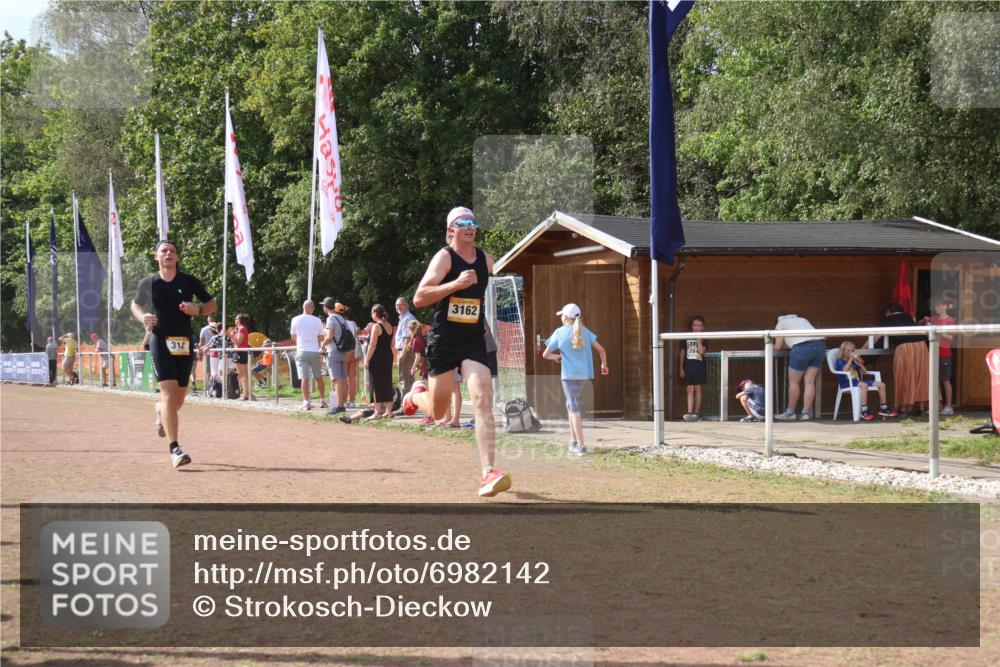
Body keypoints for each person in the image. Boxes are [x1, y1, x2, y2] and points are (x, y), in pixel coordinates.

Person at [408, 206, 511, 497]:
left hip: (473, 342)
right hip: (444, 341)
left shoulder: (486, 260)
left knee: (482, 398)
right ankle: (415, 394)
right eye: (463, 222)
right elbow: (419, 297)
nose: (470, 226)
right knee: (439, 411)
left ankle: (487, 472)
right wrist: (455, 283)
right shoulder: (444, 257)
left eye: (473, 222)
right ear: (451, 230)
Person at [131, 239, 216, 469]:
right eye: (163, 251)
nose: (168, 253)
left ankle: (160, 410)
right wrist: (143, 318)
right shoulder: (149, 282)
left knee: (177, 400)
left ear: (177, 257)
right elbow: (135, 305)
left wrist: (196, 310)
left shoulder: (188, 281)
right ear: (156, 256)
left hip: (184, 342)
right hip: (160, 340)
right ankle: (175, 449)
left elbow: (211, 305)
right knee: (169, 394)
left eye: (172, 251)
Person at [542, 303, 609, 455]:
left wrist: (557, 357)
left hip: (569, 375)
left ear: (565, 317)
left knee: (574, 407)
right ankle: (572, 442)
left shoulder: (559, 333)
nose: (561, 317)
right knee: (570, 405)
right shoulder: (584, 331)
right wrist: (604, 365)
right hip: (584, 374)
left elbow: (545, 354)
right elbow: (602, 350)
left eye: (562, 315)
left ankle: (581, 446)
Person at [877, 303, 929, 417]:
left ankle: (905, 409)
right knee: (921, 377)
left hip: (904, 347)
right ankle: (920, 409)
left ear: (889, 311)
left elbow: (876, 336)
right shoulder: (908, 317)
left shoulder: (889, 319)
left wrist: (864, 348)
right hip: (922, 346)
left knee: (904, 376)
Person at [772, 313, 826, 421]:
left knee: (794, 382)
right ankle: (805, 413)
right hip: (820, 346)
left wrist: (768, 346)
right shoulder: (802, 320)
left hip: (801, 349)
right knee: (809, 381)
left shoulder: (781, 323)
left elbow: (777, 347)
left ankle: (790, 412)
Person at [834, 341, 896, 421]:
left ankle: (884, 408)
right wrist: (850, 360)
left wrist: (859, 363)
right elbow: (844, 370)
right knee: (864, 385)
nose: (851, 352)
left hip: (858, 382)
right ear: (843, 351)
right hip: (847, 383)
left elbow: (864, 371)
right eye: (848, 351)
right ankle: (864, 410)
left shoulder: (854, 361)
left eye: (852, 351)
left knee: (882, 384)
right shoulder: (840, 361)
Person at [920, 298, 956, 415]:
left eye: (938, 306)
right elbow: (920, 326)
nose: (935, 308)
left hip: (945, 353)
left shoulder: (951, 321)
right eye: (935, 307)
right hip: (933, 353)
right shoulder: (933, 319)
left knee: (945, 380)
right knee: (934, 381)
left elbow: (951, 338)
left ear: (945, 306)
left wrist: (938, 331)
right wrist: (924, 321)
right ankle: (937, 406)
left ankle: (949, 407)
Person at [290, 300, 327, 410]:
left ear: (303, 307)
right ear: (312, 308)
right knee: (318, 377)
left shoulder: (295, 319)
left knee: (304, 378)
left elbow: (293, 336)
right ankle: (322, 400)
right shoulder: (317, 320)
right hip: (314, 351)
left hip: (301, 350)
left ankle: (306, 402)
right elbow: (321, 337)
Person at [321, 297, 351, 414]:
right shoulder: (342, 318)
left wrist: (322, 345)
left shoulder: (330, 319)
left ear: (325, 307)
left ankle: (339, 406)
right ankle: (342, 404)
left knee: (337, 379)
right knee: (343, 379)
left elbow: (329, 337)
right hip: (343, 351)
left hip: (333, 351)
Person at [365, 304, 395, 419]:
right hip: (388, 356)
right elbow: (391, 343)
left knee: (375, 383)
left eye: (372, 312)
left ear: (375, 313)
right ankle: (389, 411)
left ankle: (377, 412)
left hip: (377, 357)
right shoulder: (389, 325)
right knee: (387, 382)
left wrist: (367, 359)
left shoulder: (376, 326)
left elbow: (372, 344)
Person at [678, 315, 708, 422]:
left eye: (699, 325)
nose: (696, 327)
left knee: (698, 388)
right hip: (688, 367)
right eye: (695, 325)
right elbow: (682, 353)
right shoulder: (686, 337)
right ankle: (690, 412)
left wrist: (699, 339)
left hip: (699, 367)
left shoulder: (705, 339)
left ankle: (697, 413)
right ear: (692, 326)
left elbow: (701, 352)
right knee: (690, 389)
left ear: (702, 327)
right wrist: (681, 368)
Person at [394, 297, 418, 394]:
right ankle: (410, 403)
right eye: (396, 305)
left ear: (407, 305)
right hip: (406, 350)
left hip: (406, 351)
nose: (398, 307)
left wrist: (403, 353)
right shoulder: (404, 317)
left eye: (401, 304)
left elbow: (408, 338)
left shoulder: (407, 318)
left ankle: (405, 405)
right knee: (408, 377)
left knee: (404, 378)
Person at [232, 314, 252, 400]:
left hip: (240, 353)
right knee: (242, 375)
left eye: (236, 319)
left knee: (242, 375)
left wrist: (230, 335)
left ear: (239, 320)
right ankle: (247, 393)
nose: (235, 320)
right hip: (239, 352)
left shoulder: (242, 329)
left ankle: (245, 395)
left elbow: (238, 343)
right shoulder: (240, 329)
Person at [344, 306, 361, 407]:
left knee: (343, 377)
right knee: (352, 377)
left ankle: (344, 400)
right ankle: (352, 401)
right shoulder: (353, 323)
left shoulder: (341, 323)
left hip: (345, 351)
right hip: (354, 350)